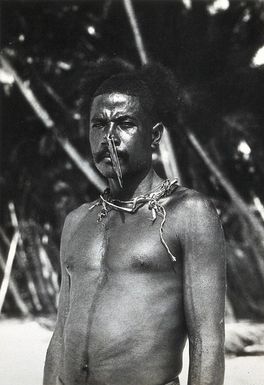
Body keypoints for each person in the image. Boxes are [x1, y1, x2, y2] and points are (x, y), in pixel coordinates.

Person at [43, 63, 225, 385]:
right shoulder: (77, 222)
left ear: (154, 135)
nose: (108, 137)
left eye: (124, 123)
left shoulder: (189, 214)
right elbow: (60, 335)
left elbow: (206, 342)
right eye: (98, 124)